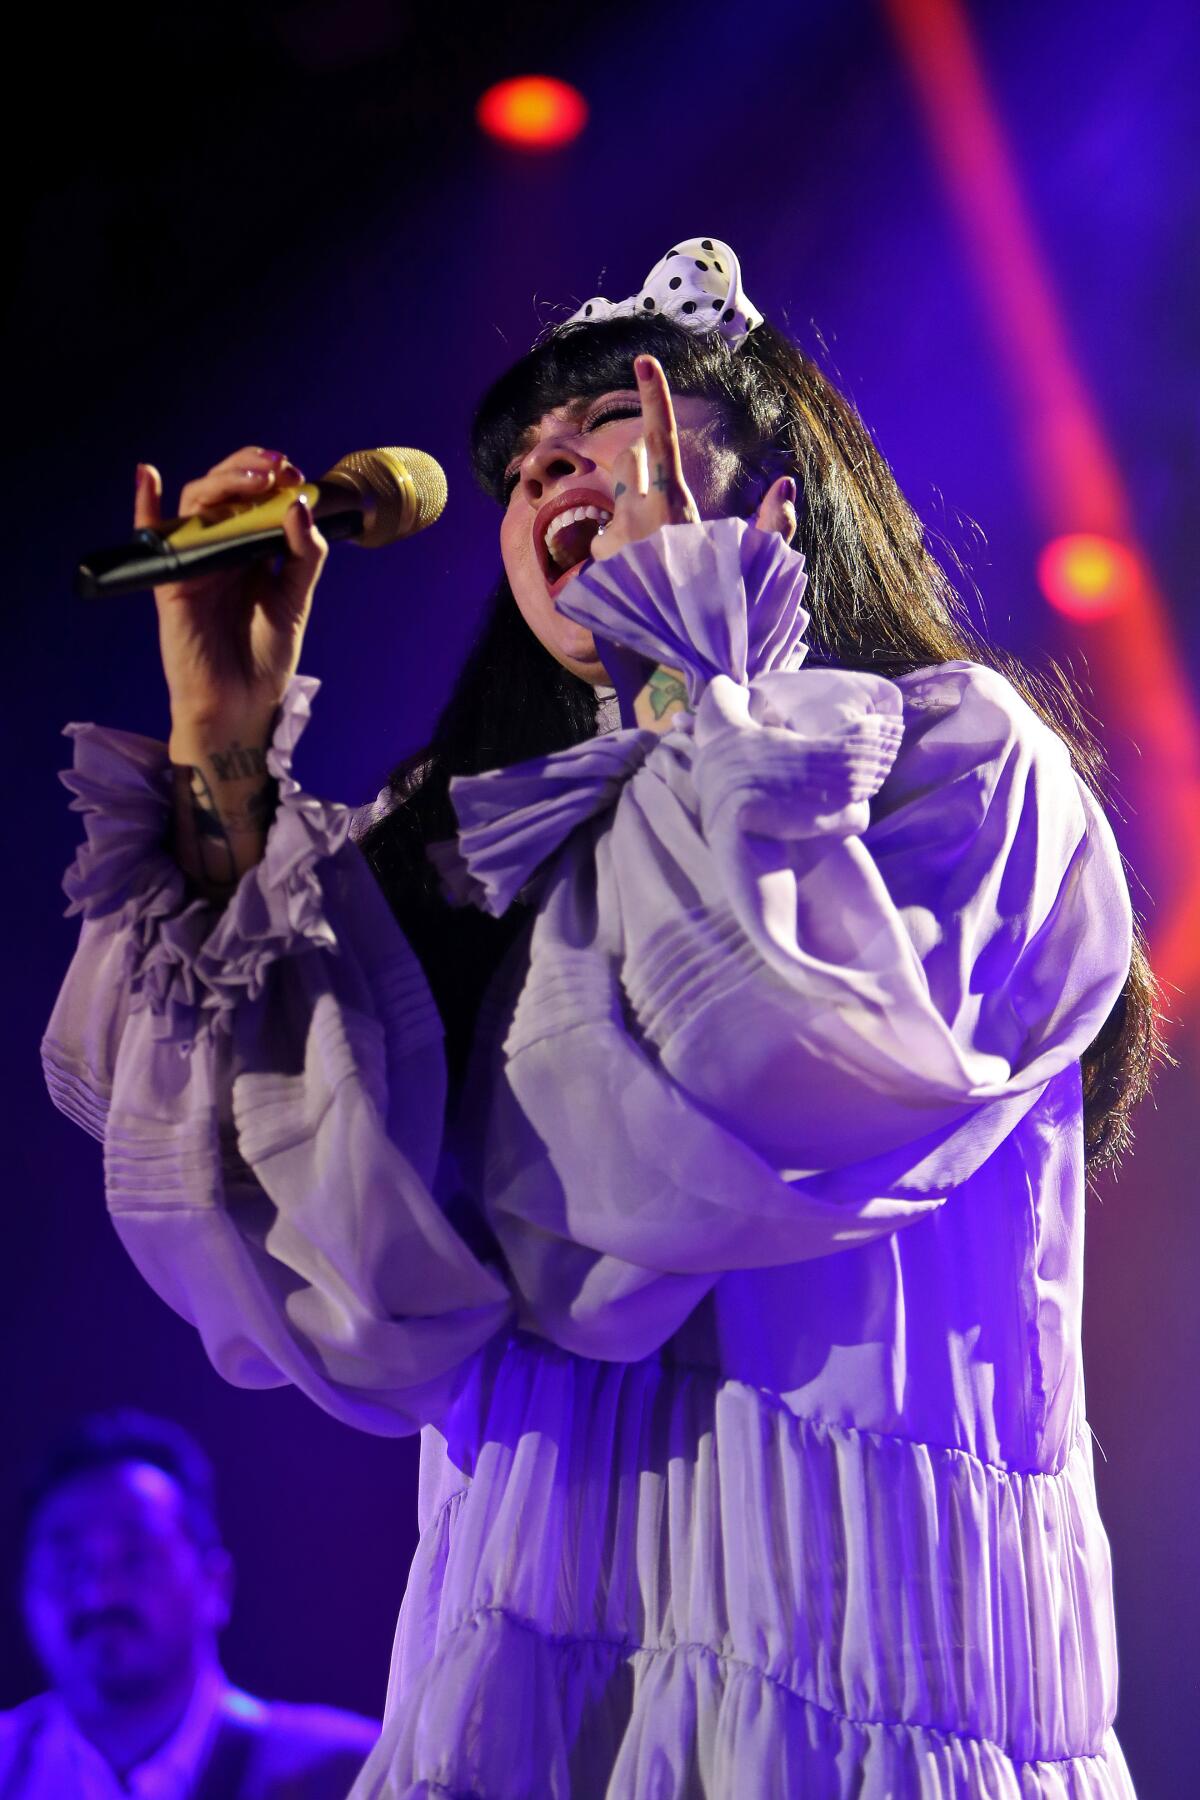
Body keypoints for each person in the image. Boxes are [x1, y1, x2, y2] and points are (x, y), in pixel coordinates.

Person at [42, 238, 1158, 1797]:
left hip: (861, 1683)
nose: (546, 456)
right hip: (527, 1695)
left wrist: (701, 669)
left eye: (605, 412)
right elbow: (324, 1275)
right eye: (518, 460)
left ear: (782, 480)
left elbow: (774, 1072)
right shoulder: (473, 852)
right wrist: (223, 747)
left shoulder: (960, 761)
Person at [1, 1410, 378, 1798]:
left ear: (216, 1585)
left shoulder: (356, 1776)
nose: (100, 1594)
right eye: (70, 1564)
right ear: (23, 1593)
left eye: (136, 1557)